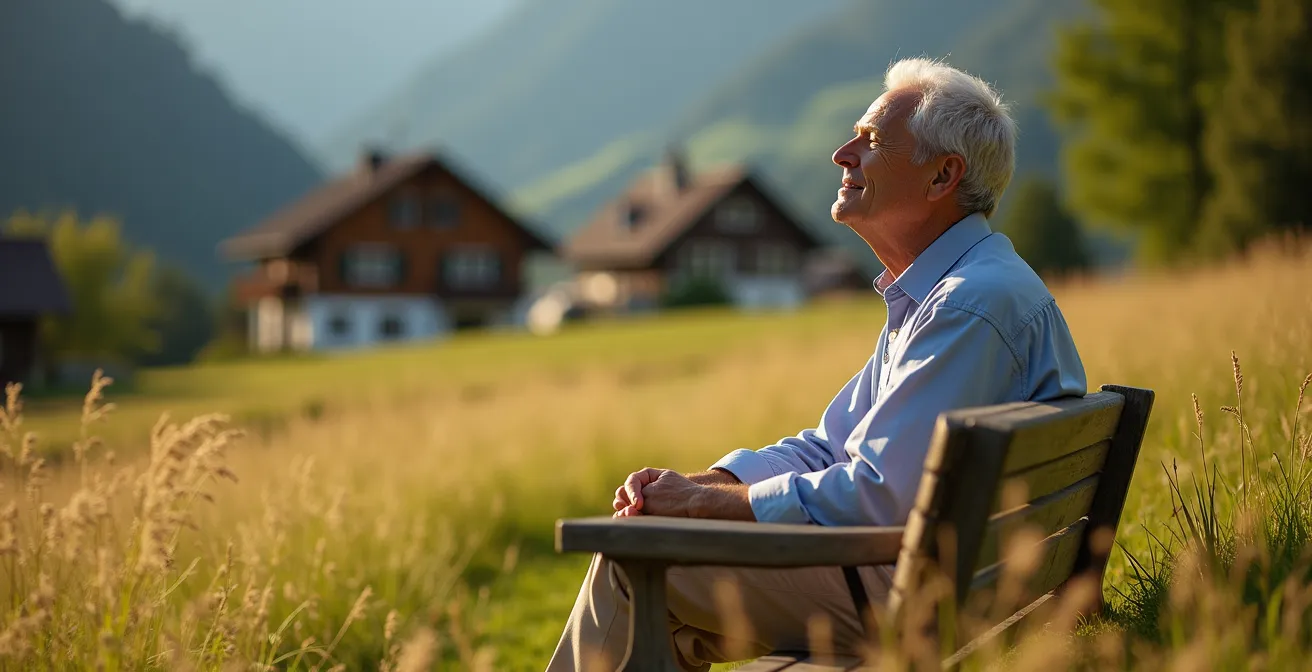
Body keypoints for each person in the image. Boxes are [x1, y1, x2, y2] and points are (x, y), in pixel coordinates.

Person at [546, 57, 1088, 672]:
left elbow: (877, 494)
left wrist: (703, 509)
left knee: (631, 561)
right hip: (960, 585)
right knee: (663, 620)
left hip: (921, 602)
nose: (842, 153)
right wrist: (701, 486)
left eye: (872, 140)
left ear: (943, 176)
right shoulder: (952, 292)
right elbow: (831, 447)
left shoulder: (966, 306)